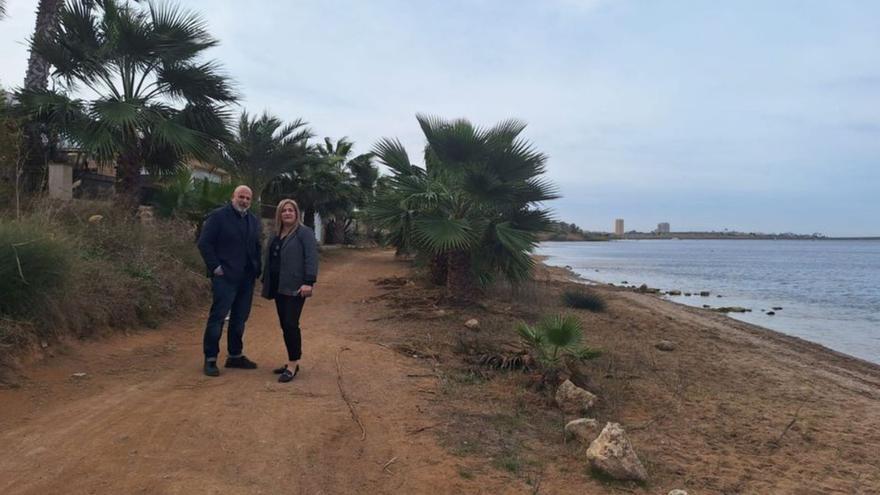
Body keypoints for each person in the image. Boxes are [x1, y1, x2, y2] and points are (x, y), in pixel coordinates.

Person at [197, 185, 262, 377]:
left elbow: (256, 246)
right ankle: (210, 359)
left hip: (246, 278)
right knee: (217, 318)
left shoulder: (253, 220)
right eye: (241, 197)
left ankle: (234, 355)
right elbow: (204, 243)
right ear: (233, 197)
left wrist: (257, 268)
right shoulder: (218, 217)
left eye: (248, 198)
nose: (244, 201)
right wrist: (215, 267)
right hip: (224, 277)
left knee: (239, 319)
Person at [261, 199, 318, 383]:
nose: (287, 213)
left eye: (290, 210)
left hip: (296, 287)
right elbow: (270, 259)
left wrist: (309, 282)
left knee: (291, 324)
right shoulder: (275, 234)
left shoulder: (304, 233)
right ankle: (290, 360)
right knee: (285, 325)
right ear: (279, 214)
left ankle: (293, 364)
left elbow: (311, 257)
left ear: (296, 213)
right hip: (279, 287)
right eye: (284, 210)